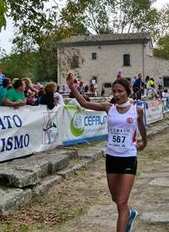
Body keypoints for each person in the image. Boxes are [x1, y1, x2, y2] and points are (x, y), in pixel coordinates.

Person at [67, 73, 147, 232]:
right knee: (116, 199)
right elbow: (84, 103)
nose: (116, 95)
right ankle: (130, 214)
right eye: (114, 91)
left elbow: (142, 127)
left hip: (128, 157)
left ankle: (124, 218)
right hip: (111, 157)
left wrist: (144, 141)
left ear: (128, 91)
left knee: (122, 202)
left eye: (120, 91)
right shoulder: (107, 107)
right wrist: (72, 87)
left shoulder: (137, 110)